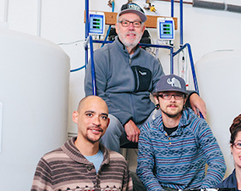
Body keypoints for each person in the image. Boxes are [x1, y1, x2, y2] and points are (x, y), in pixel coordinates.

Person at [85, 2, 207, 155]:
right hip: (115, 121)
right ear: (117, 28)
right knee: (106, 124)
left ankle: (170, 175)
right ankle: (111, 176)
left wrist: (191, 96)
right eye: (125, 23)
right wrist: (126, 120)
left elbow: (165, 91)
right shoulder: (101, 57)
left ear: (142, 29)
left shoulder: (151, 61)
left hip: (146, 123)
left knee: (175, 117)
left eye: (136, 24)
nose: (131, 27)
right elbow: (95, 97)